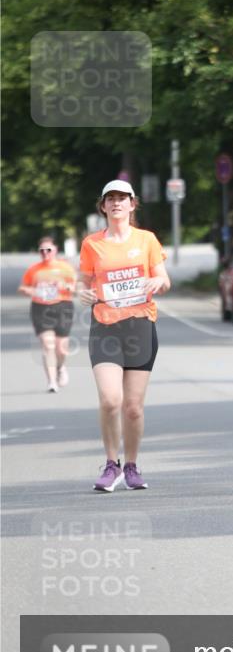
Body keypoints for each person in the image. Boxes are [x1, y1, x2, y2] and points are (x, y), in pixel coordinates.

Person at [78, 180, 170, 493]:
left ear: (132, 204)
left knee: (132, 407)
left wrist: (157, 284)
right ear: (103, 206)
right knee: (110, 399)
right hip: (105, 326)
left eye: (122, 198)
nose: (117, 204)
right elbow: (82, 282)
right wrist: (84, 293)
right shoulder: (92, 244)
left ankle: (130, 465)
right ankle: (110, 464)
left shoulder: (147, 240)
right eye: (111, 199)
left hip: (140, 325)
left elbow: (163, 278)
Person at [18, 237, 76, 392]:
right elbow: (23, 288)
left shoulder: (65, 268)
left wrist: (66, 286)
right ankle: (51, 382)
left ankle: (60, 366)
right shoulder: (34, 269)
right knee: (47, 344)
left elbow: (77, 287)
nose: (45, 253)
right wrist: (31, 291)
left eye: (48, 250)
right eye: (42, 251)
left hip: (63, 306)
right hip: (41, 307)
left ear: (55, 250)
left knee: (61, 348)